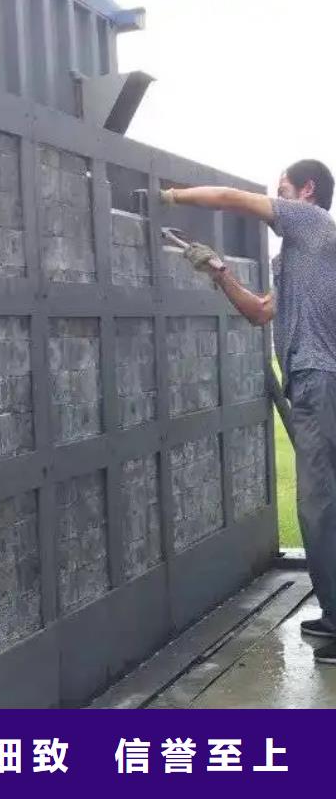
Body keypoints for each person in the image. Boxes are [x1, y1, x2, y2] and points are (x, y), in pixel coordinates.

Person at [160, 160, 336, 665]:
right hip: (316, 382)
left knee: (318, 506)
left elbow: (232, 198)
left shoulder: (310, 220)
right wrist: (219, 272)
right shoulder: (302, 257)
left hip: (318, 380)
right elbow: (260, 312)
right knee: (327, 504)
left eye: (283, 189)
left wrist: (172, 196)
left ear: (307, 190)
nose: (275, 198)